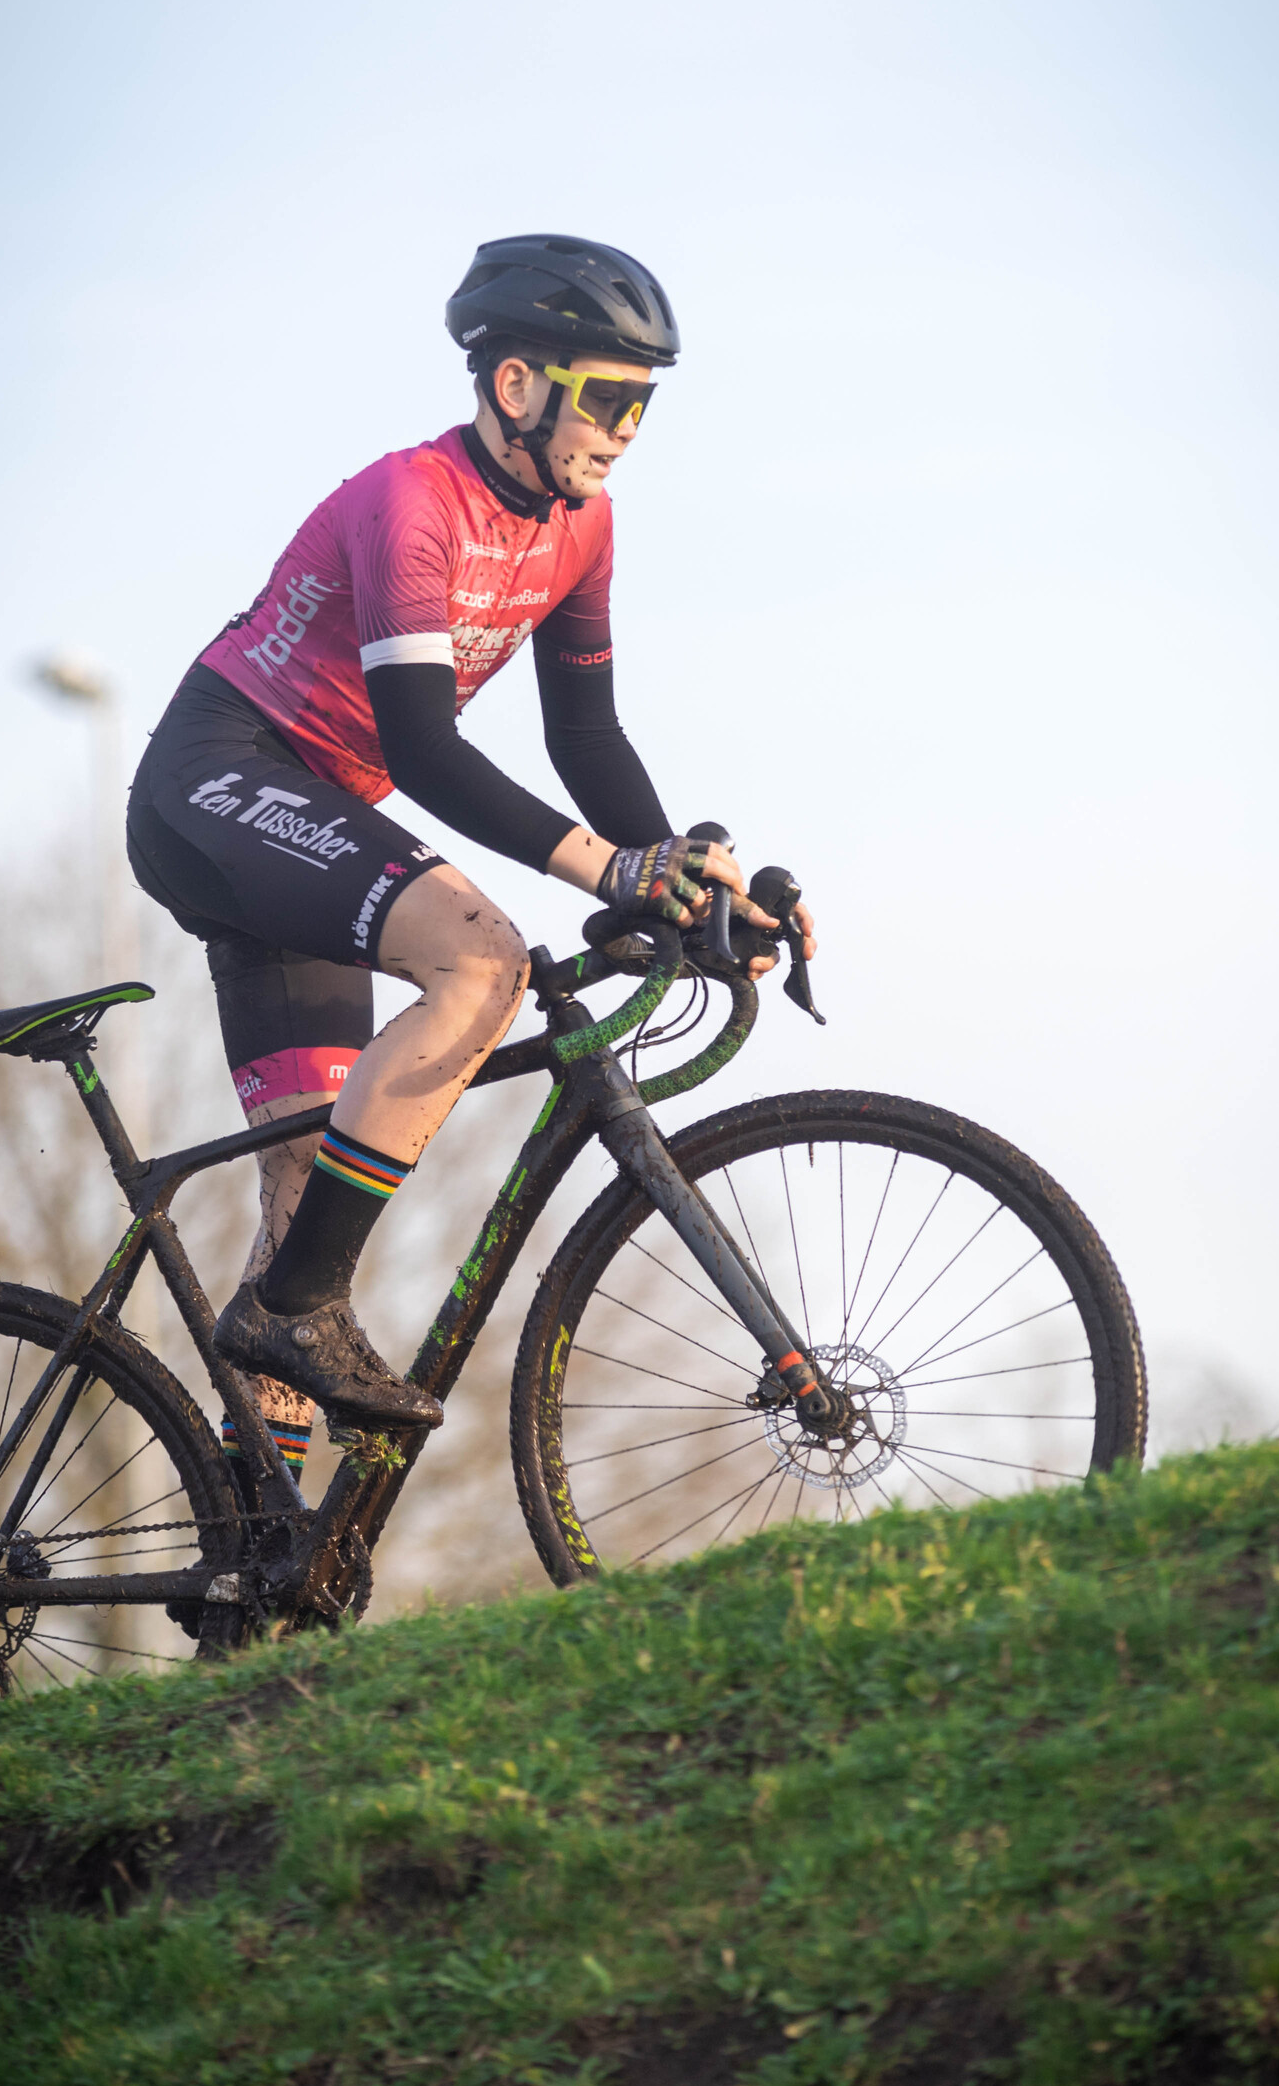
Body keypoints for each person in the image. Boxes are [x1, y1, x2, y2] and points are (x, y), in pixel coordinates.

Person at [126, 233, 815, 1475]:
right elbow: (428, 754)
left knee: (305, 1170)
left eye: (643, 406)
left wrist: (680, 875)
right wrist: (607, 871)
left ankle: (253, 1542)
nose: (624, 433)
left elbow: (584, 731)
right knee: (483, 963)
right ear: (515, 385)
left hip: (314, 817)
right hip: (219, 779)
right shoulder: (410, 503)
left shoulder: (583, 526)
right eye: (609, 398)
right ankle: (299, 1314)